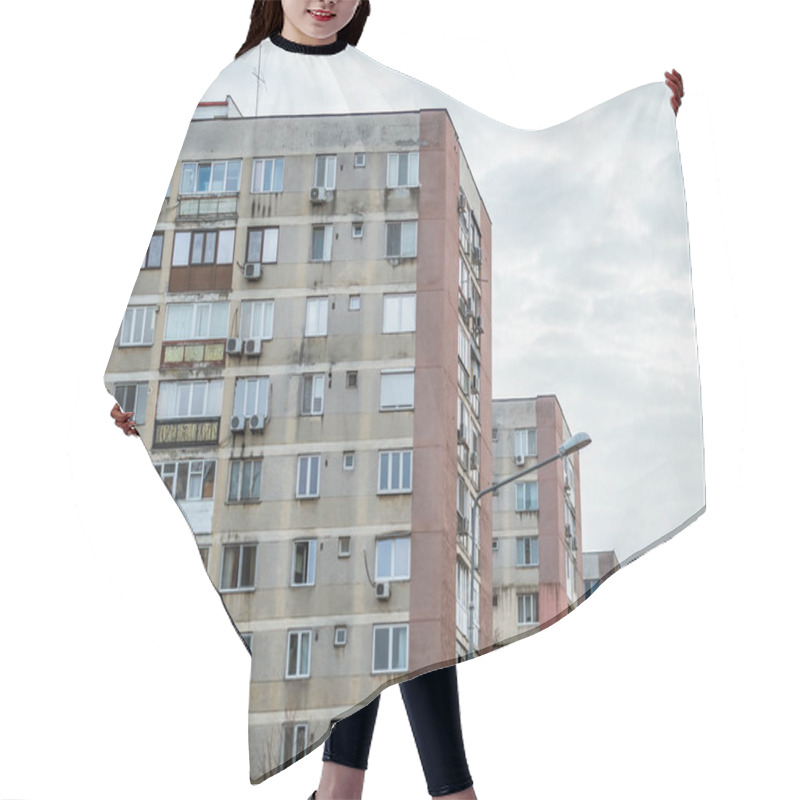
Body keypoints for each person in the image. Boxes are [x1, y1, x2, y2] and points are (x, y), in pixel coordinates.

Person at [109, 2, 689, 797]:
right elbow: (182, 245)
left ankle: (354, 791)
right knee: (377, 612)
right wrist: (150, 391)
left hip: (372, 386)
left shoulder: (374, 84)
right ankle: (428, 793)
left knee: (386, 609)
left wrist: (638, 124)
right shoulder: (239, 84)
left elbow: (517, 151)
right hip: (290, 404)